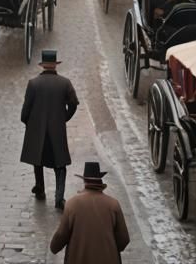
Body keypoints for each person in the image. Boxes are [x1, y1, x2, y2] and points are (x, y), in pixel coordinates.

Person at [20, 49, 79, 210]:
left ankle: (40, 189)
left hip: (37, 130)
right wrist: (64, 118)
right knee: (60, 165)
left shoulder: (33, 84)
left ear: (42, 66)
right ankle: (59, 198)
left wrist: (30, 123)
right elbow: (73, 104)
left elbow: (25, 111)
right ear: (55, 65)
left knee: (37, 160)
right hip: (56, 130)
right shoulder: (65, 83)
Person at [49, 162, 130, 264]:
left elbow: (60, 237)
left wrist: (54, 247)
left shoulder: (72, 205)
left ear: (84, 181)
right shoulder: (113, 205)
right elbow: (124, 239)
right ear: (100, 182)